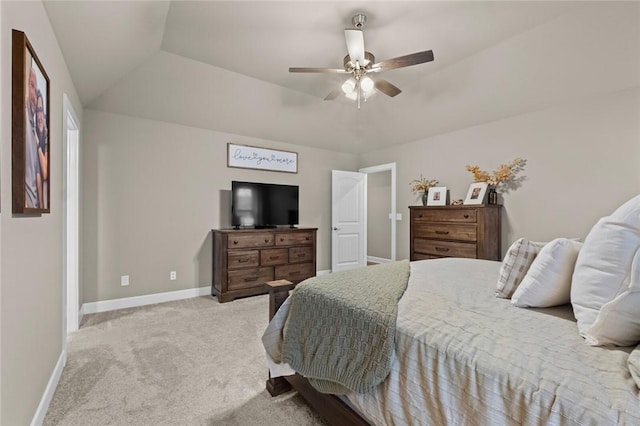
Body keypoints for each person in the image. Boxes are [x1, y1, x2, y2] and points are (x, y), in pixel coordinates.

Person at [25, 66, 42, 209]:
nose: (33, 96)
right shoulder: (22, 118)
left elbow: (38, 174)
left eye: (35, 91)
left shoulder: (33, 128)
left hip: (33, 209)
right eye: (31, 85)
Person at [35, 89, 48, 209]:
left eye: (41, 110)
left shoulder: (47, 134)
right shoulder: (33, 131)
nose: (39, 115)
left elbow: (45, 173)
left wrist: (39, 145)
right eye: (37, 111)